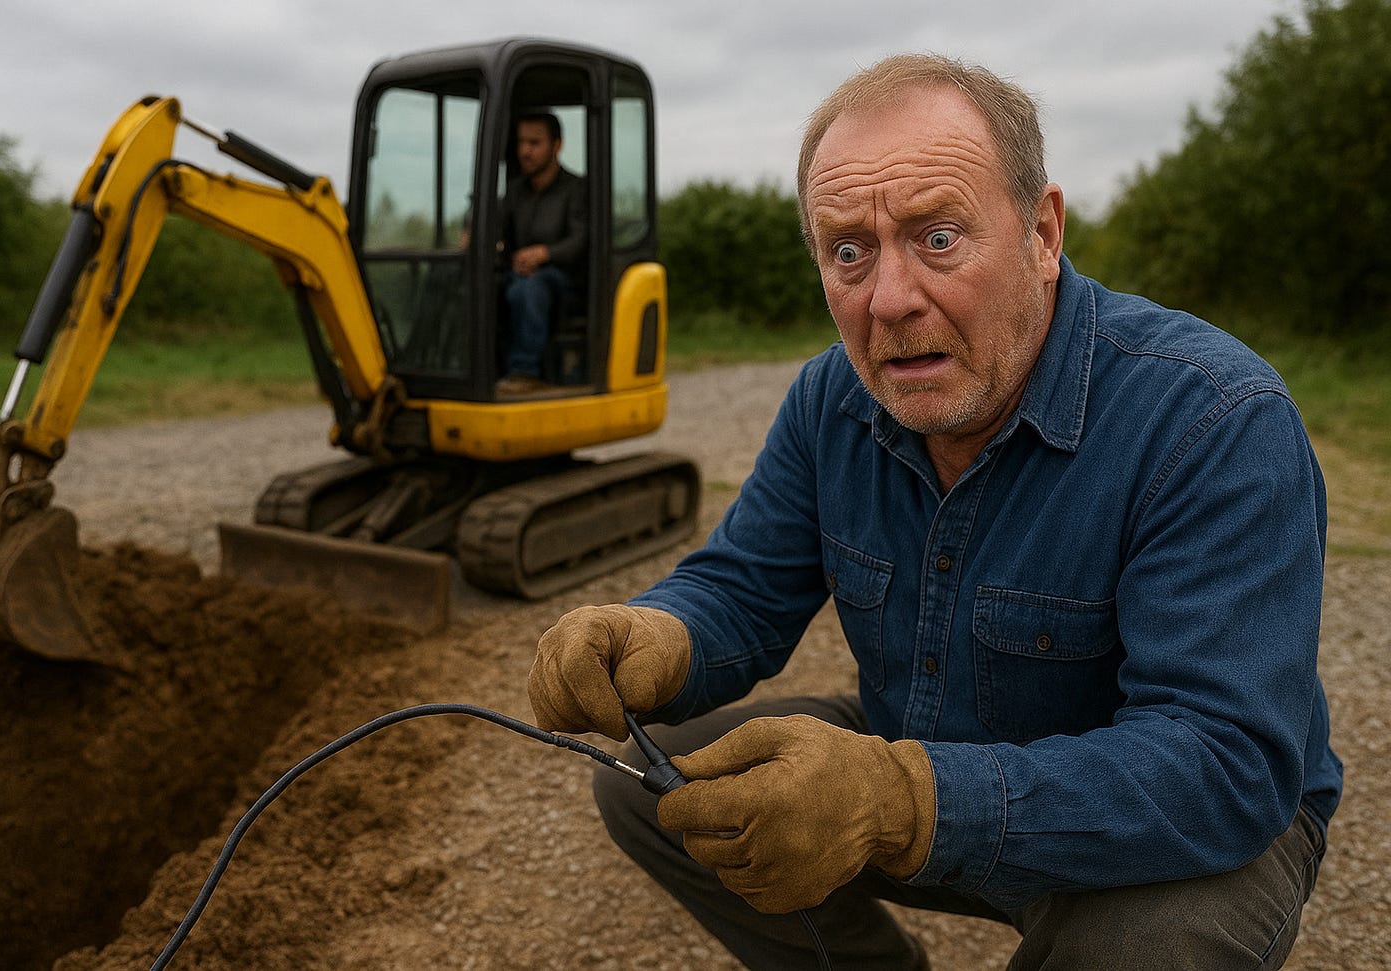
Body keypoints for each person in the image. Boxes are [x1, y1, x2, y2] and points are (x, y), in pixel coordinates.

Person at [525, 53, 1340, 970]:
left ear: (1042, 231)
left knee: (1141, 948)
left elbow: (1224, 764)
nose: (890, 299)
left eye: (939, 237)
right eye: (849, 250)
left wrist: (901, 798)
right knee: (659, 778)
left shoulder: (1211, 419)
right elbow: (745, 586)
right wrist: (656, 634)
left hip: (1173, 824)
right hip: (931, 752)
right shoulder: (830, 400)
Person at [497, 111, 588, 396]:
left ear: (557, 146)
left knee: (527, 289)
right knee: (485, 285)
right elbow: (496, 228)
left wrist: (545, 253)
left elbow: (581, 241)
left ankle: (525, 372)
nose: (525, 150)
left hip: (564, 279)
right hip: (520, 274)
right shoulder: (514, 192)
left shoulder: (576, 189)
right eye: (522, 142)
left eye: (535, 143)